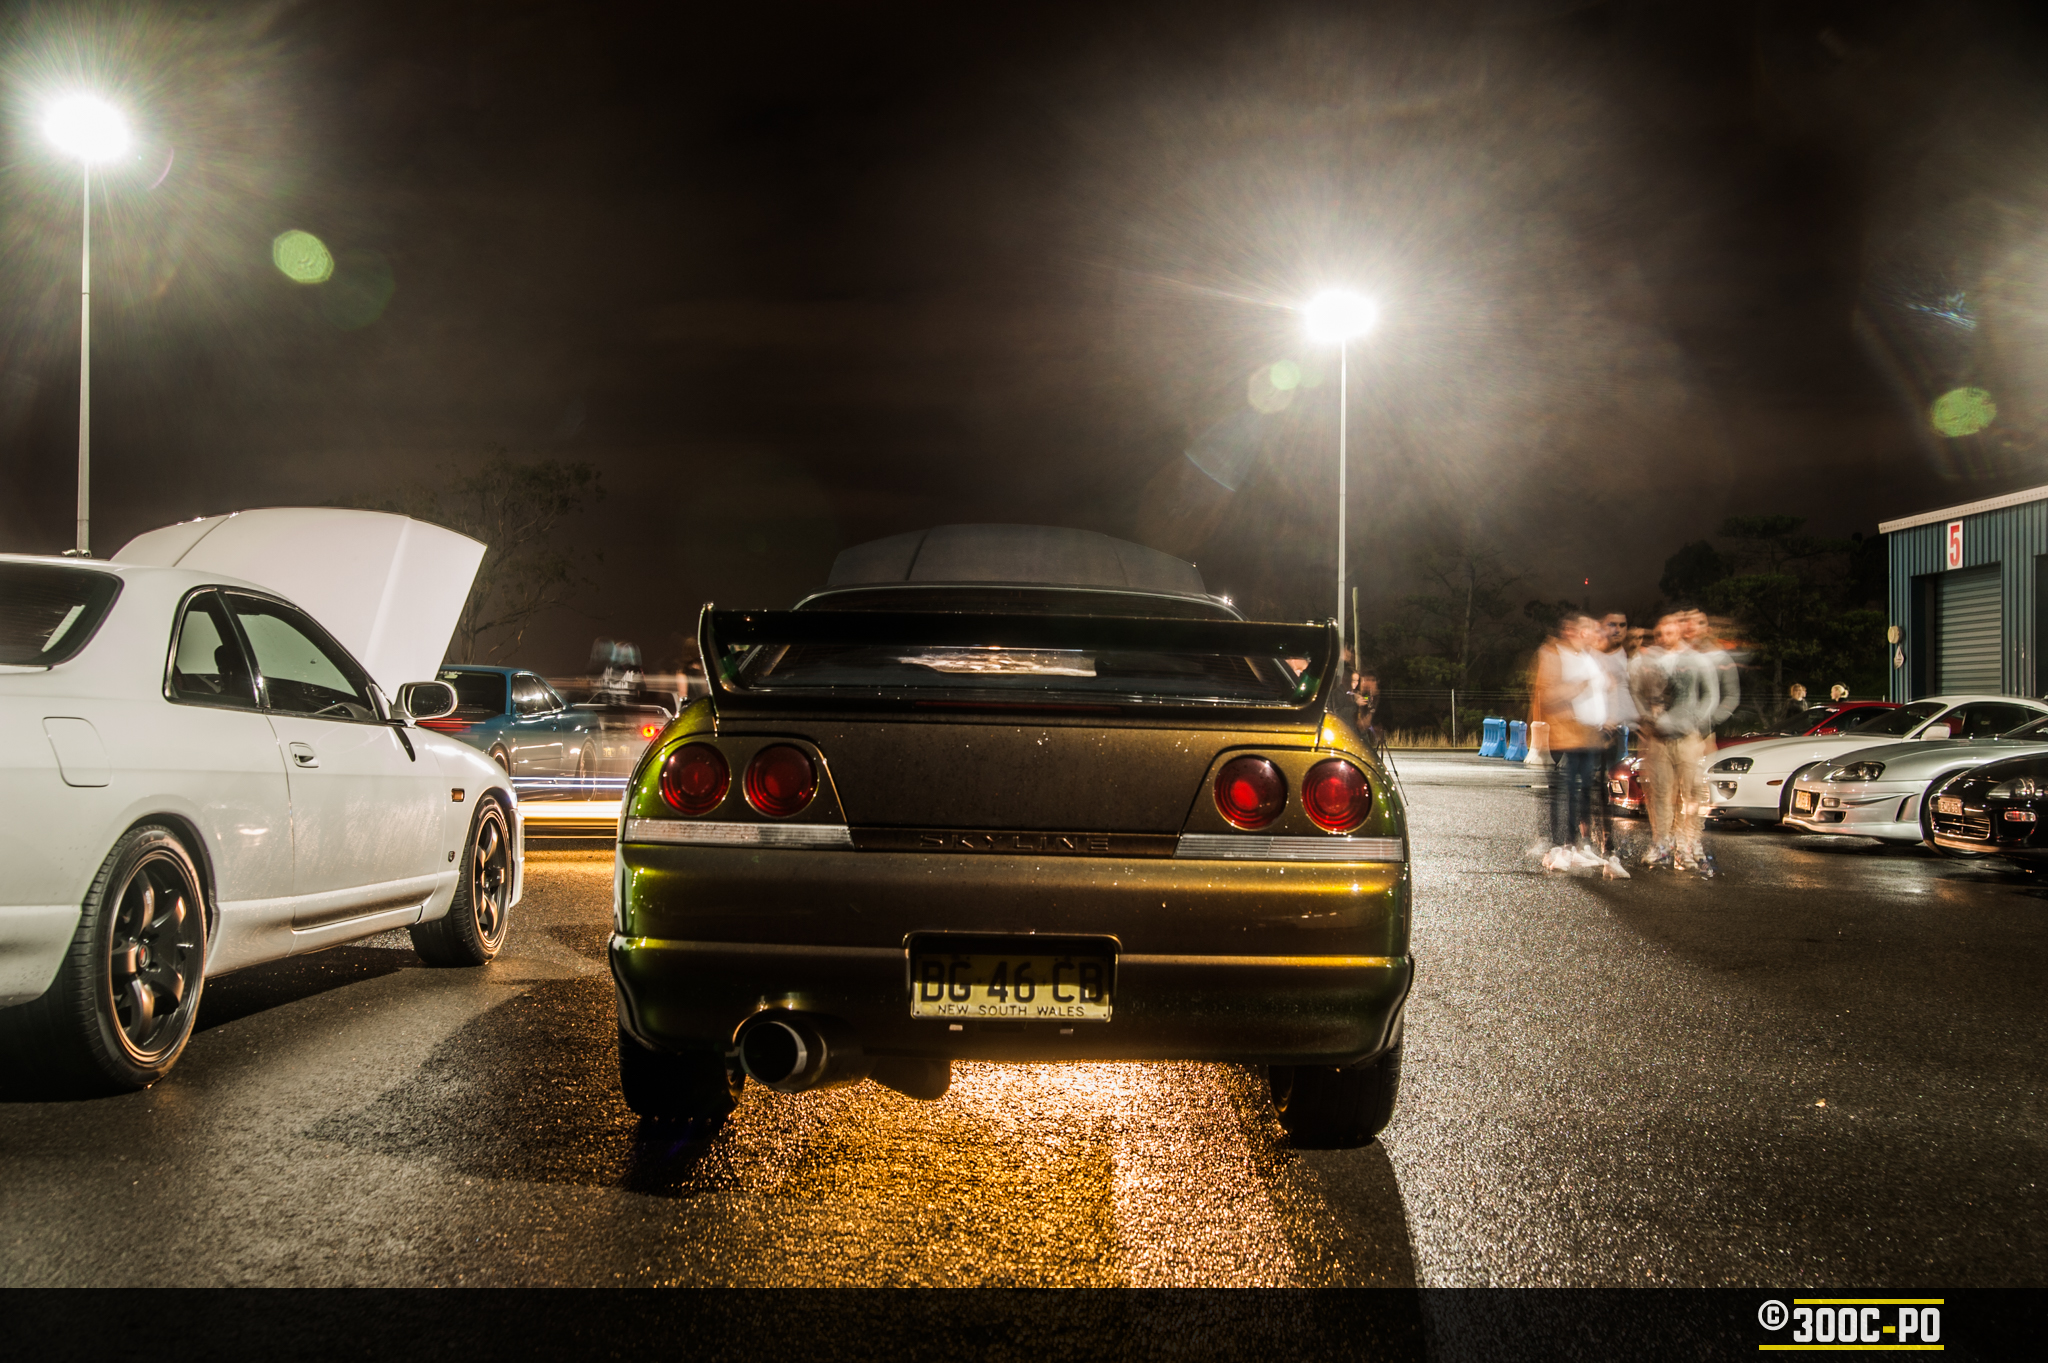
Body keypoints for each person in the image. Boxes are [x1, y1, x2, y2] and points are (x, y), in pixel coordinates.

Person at [1532, 616, 1620, 874]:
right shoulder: (1556, 654)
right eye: (1588, 629)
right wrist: (1579, 688)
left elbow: (1602, 689)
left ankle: (1579, 845)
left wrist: (1607, 715)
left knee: (1585, 791)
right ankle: (1563, 845)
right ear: (1573, 631)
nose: (1594, 633)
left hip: (1589, 734)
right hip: (1567, 734)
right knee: (1567, 790)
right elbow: (1550, 694)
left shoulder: (1587, 656)